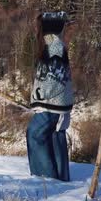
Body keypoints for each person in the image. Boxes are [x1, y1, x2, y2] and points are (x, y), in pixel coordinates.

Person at [26, 12, 73, 182]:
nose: (35, 29)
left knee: (35, 134)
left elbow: (55, 78)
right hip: (56, 104)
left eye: (38, 26)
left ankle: (45, 178)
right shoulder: (53, 44)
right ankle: (59, 178)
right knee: (52, 136)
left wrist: (39, 97)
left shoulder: (54, 46)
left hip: (53, 104)